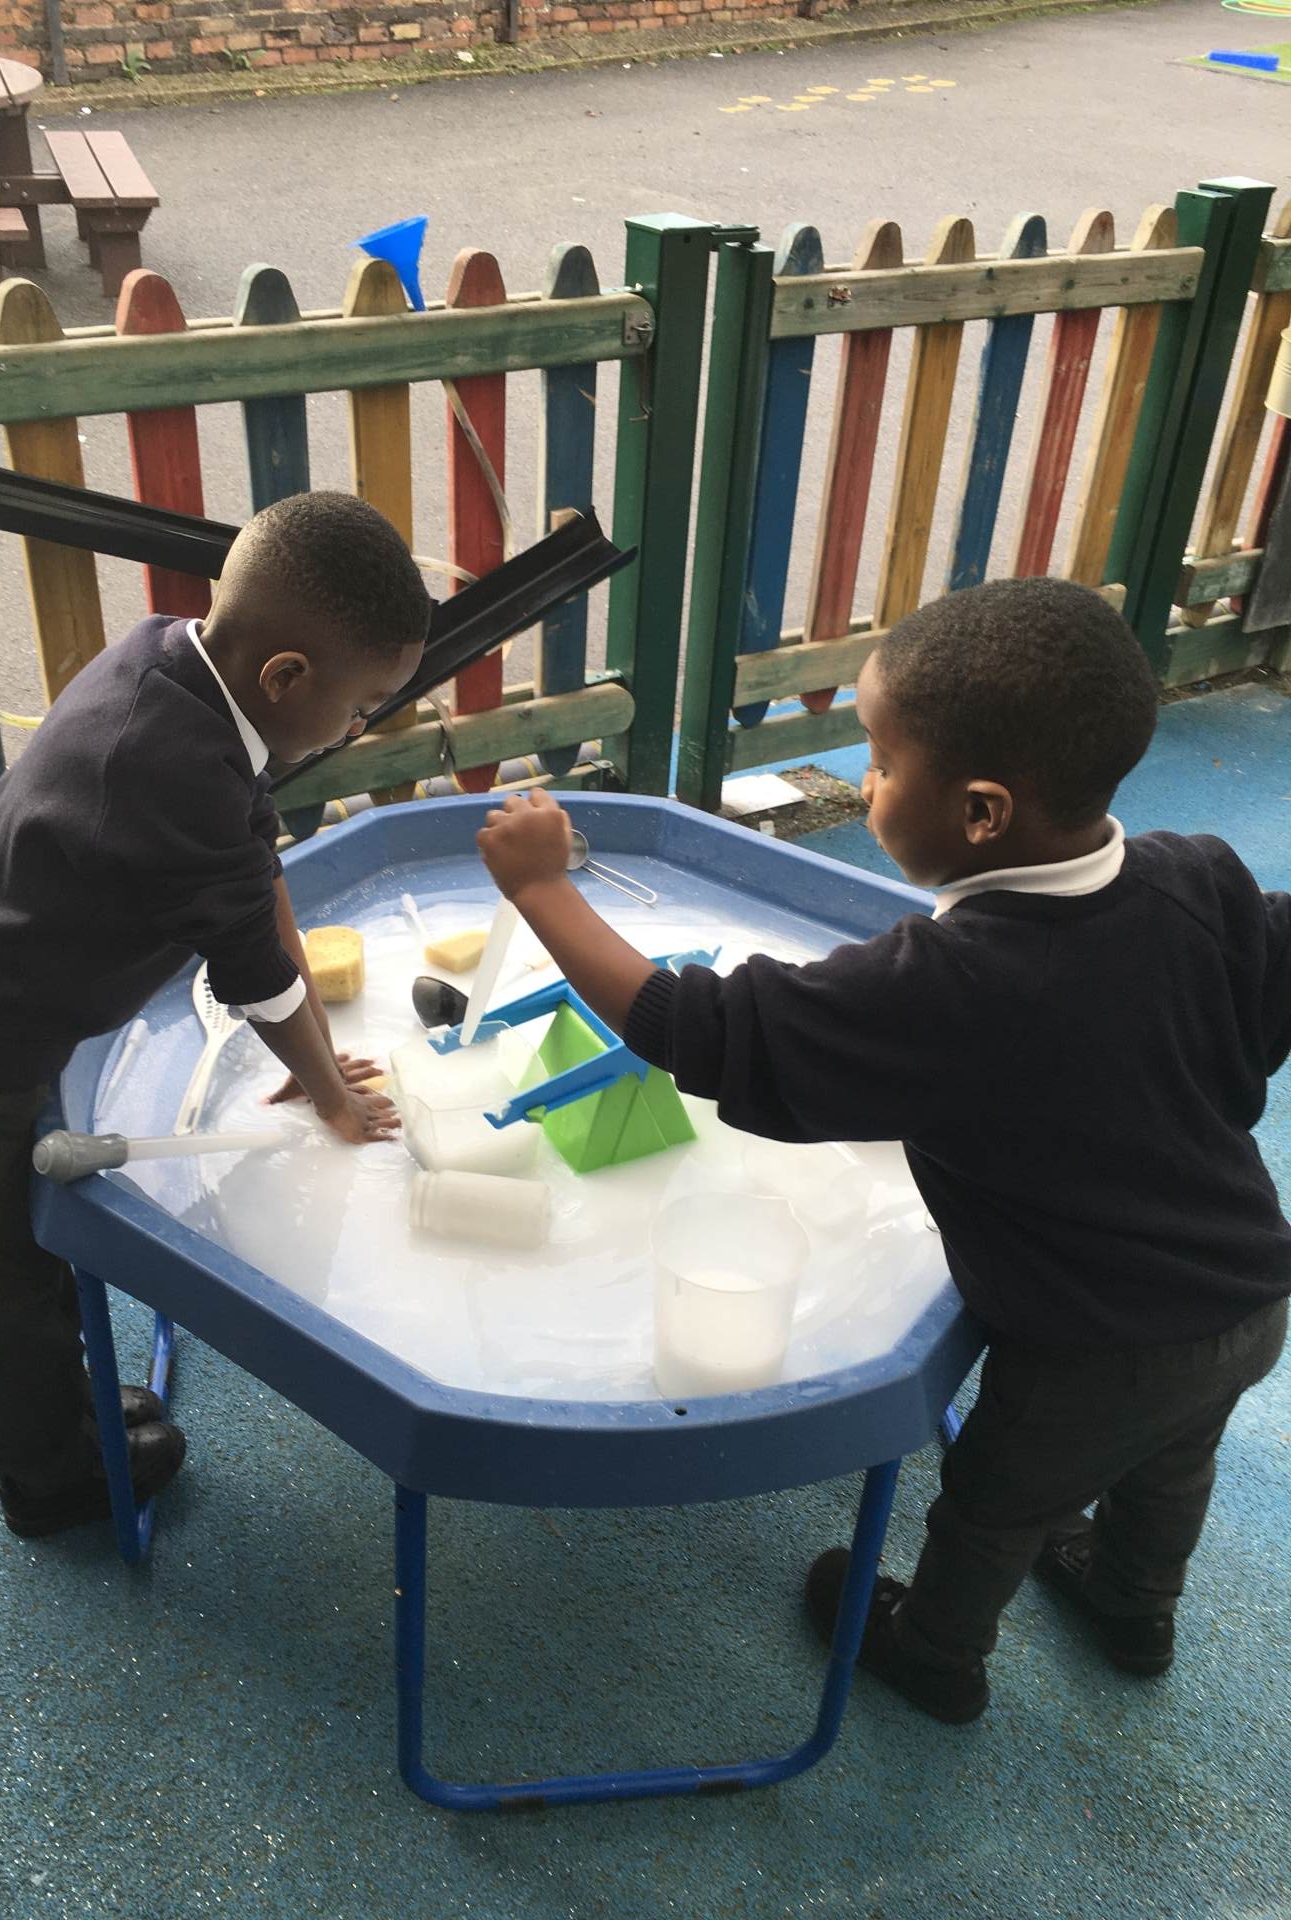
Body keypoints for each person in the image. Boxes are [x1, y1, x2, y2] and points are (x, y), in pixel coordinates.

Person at [475, 576, 1290, 1724]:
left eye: (881, 761)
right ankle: (1133, 1603)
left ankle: (935, 1654)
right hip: (1248, 1290)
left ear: (983, 813)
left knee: (995, 1500)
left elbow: (698, 1030)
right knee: (1174, 1463)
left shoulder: (951, 986)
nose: (864, 785)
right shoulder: (1194, 873)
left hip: (1097, 1345)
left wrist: (540, 887)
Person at [0, 491, 428, 1540]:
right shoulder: (171, 766)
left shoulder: (174, 662)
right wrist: (328, 1092)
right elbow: (254, 974)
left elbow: (256, 875)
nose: (360, 728)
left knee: (29, 1250)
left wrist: (312, 1050)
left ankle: (69, 1411)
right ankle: (50, 1482)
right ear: (286, 678)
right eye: (363, 706)